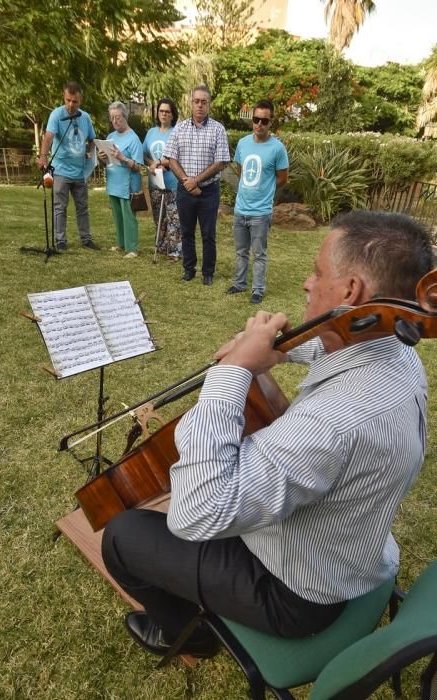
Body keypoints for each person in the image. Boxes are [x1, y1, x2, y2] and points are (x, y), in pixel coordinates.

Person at [102, 210, 433, 659]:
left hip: (294, 593)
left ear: (351, 290)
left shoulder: (334, 422)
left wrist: (234, 370)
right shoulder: (397, 351)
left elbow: (198, 512)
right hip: (350, 555)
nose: (306, 283)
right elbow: (339, 335)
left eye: (318, 273)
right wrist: (275, 353)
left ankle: (188, 634)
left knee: (122, 535)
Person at [163, 85, 230, 285]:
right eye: (196, 101)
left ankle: (208, 273)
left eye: (204, 101)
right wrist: (187, 181)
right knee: (187, 232)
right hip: (185, 189)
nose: (200, 105)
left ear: (209, 104)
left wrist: (196, 181)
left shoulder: (218, 129)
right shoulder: (180, 128)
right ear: (191, 103)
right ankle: (188, 269)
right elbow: (171, 158)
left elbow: (221, 162)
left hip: (208, 191)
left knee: (208, 234)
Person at [227, 100, 289, 304]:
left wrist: (265, 188)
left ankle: (258, 289)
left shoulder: (278, 148)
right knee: (240, 251)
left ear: (271, 122)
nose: (259, 124)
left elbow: (282, 178)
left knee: (259, 253)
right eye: (256, 119)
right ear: (251, 120)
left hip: (261, 211)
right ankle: (239, 283)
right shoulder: (244, 143)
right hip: (241, 208)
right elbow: (240, 169)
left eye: (264, 120)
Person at [37, 81, 99, 251]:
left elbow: (92, 139)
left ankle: (86, 239)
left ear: (81, 100)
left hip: (80, 171)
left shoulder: (85, 117)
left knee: (82, 207)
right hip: (61, 170)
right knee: (60, 207)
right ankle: (60, 240)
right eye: (68, 100)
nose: (71, 105)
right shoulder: (56, 115)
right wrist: (43, 156)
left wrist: (89, 151)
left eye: (75, 101)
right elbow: (48, 137)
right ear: (64, 98)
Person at [97, 102, 144, 258]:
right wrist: (101, 157)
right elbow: (109, 161)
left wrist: (123, 158)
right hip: (113, 183)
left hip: (127, 185)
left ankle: (132, 249)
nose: (115, 121)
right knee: (117, 216)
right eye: (112, 118)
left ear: (125, 116)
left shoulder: (134, 139)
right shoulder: (111, 137)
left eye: (117, 117)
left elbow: (138, 167)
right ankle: (120, 243)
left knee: (128, 217)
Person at [143, 99, 181, 260]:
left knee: (174, 217)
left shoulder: (177, 132)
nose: (164, 114)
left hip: (172, 182)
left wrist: (163, 162)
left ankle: (175, 251)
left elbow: (178, 156)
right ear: (157, 114)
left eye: (167, 111)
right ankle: (162, 245)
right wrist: (152, 164)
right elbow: (144, 154)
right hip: (155, 181)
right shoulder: (151, 133)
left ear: (172, 115)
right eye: (161, 111)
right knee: (159, 216)